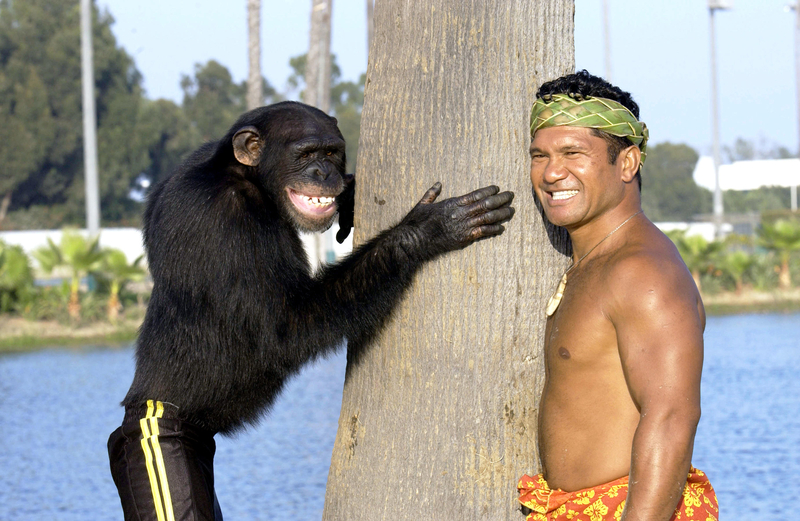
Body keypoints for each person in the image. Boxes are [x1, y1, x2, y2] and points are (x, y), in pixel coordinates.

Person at [517, 71, 718, 521]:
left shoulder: (642, 272)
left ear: (627, 163)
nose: (552, 172)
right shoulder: (594, 263)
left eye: (573, 153)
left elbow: (670, 418)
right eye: (540, 155)